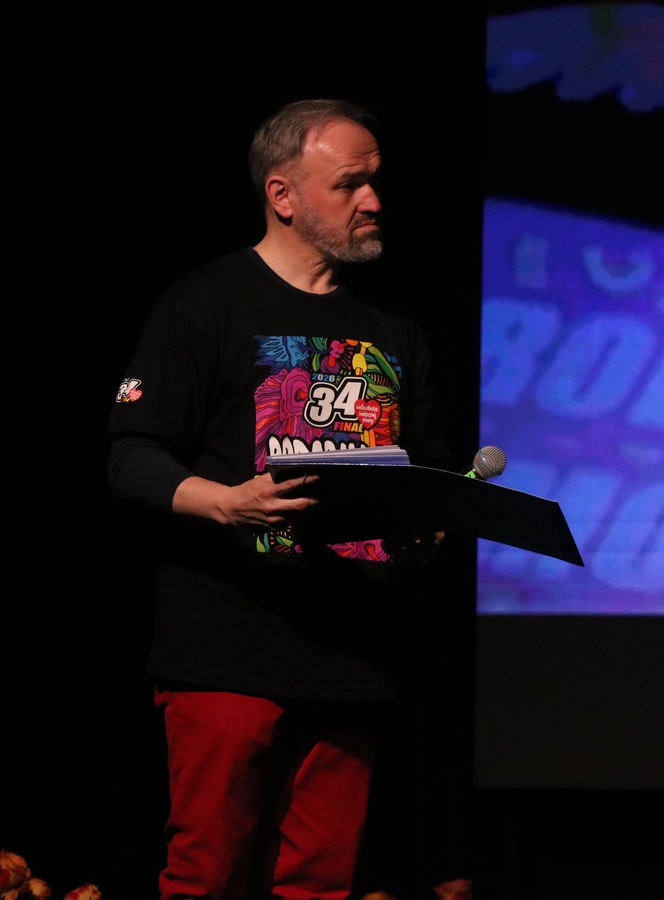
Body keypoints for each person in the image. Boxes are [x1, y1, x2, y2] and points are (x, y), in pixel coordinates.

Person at [107, 100, 445, 900]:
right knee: (207, 875)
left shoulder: (394, 326)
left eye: (375, 182)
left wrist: (426, 530)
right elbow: (130, 457)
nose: (373, 200)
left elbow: (422, 473)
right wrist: (227, 503)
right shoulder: (207, 303)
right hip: (227, 649)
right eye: (349, 184)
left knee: (320, 884)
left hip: (352, 655)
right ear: (282, 194)